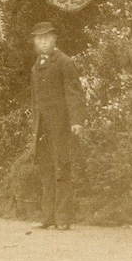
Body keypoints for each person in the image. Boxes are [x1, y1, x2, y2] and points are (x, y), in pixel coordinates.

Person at [30, 21, 86, 231]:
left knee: (62, 168)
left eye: (47, 38)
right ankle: (47, 217)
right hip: (42, 127)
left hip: (61, 125)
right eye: (39, 39)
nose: (43, 42)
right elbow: (35, 99)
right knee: (46, 171)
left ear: (54, 40)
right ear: (35, 42)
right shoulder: (36, 66)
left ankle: (62, 218)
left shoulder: (64, 62)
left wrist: (76, 120)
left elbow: (74, 93)